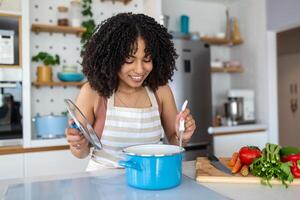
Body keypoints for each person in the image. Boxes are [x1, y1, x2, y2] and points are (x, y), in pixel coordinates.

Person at [65, 13, 196, 171]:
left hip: (149, 181)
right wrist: (78, 144)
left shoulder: (161, 91)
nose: (140, 69)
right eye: (129, 60)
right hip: (102, 185)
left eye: (147, 59)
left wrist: (184, 135)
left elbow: (176, 143)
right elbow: (81, 153)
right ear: (111, 58)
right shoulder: (93, 92)